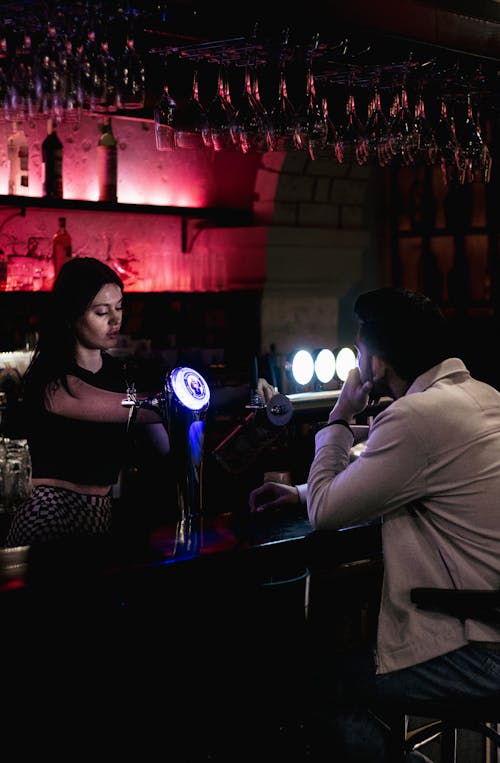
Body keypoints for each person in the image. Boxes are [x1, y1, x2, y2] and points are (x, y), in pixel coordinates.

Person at [249, 287, 500, 761]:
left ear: (378, 362)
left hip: (480, 644)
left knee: (315, 687)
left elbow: (327, 512)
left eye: (360, 349)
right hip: (492, 623)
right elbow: (391, 470)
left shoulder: (416, 417)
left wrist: (340, 414)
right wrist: (300, 492)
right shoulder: (479, 395)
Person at [2, 256, 172, 548]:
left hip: (100, 519)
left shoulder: (122, 375)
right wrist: (176, 401)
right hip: (50, 515)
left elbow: (162, 446)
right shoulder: (54, 380)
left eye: (119, 308)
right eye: (102, 311)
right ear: (72, 315)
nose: (116, 320)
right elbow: (129, 409)